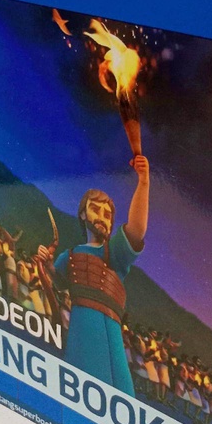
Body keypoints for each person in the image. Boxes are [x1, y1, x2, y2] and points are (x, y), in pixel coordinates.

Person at [36, 155, 150, 397]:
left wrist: (143, 183)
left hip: (111, 331)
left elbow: (136, 230)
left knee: (121, 394)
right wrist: (48, 265)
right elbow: (59, 282)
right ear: (83, 214)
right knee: (79, 387)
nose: (102, 218)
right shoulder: (70, 255)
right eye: (96, 210)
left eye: (108, 215)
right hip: (81, 329)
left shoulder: (113, 253)